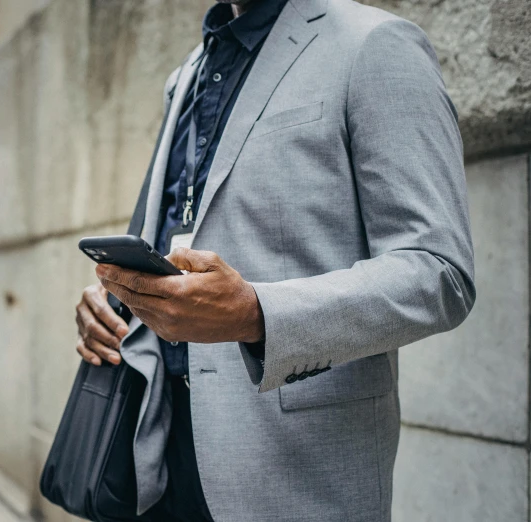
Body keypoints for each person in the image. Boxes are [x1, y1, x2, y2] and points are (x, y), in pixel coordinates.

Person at [75, 0, 475, 520]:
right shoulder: (188, 74)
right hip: (156, 455)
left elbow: (439, 271)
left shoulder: (377, 45)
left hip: (290, 470)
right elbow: (176, 230)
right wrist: (114, 303)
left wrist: (257, 313)